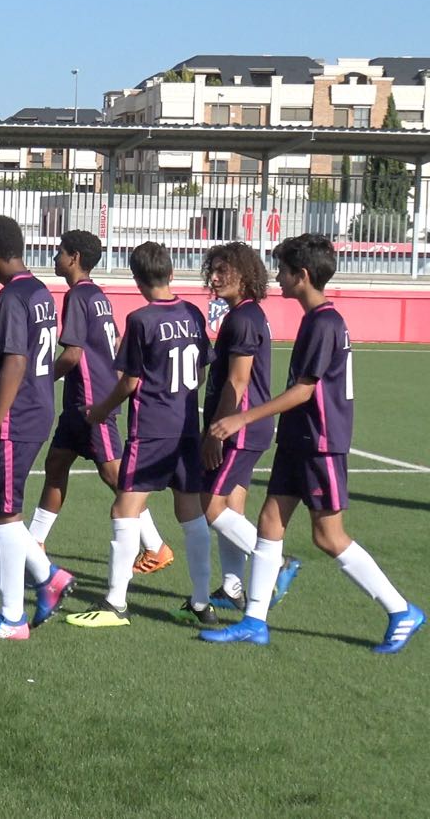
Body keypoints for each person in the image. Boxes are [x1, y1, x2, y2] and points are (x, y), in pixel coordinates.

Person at [203, 234, 423, 652]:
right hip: (297, 439)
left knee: (328, 536)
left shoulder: (324, 322)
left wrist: (242, 417)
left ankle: (400, 610)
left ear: (301, 275)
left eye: (284, 271)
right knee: (270, 522)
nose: (278, 278)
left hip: (320, 442)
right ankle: (254, 621)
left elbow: (304, 391)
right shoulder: (314, 319)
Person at [69, 242, 215, 628]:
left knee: (124, 510)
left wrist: (101, 410)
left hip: (151, 430)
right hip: (186, 426)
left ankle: (115, 603)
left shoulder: (140, 320)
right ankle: (201, 602)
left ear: (136, 279)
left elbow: (130, 381)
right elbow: (201, 372)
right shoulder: (193, 313)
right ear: (171, 272)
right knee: (190, 511)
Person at [0, 216, 74, 639]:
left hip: (15, 417)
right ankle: (48, 575)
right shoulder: (38, 289)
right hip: (34, 409)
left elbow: (16, 363)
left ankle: (11, 619)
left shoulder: (11, 297)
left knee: (5, 512)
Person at [26, 230, 172, 567]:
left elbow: (73, 354)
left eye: (60, 251)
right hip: (81, 400)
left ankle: (156, 546)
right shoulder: (97, 295)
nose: (56, 257)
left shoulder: (78, 296)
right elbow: (116, 342)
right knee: (56, 464)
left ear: (74, 258)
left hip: (92, 403)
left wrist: (40, 380)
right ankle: (34, 542)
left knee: (115, 476)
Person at [198, 242, 299, 611]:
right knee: (232, 506)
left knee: (211, 507)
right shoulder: (246, 314)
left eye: (222, 271)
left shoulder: (243, 319)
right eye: (212, 270)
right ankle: (232, 587)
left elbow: (238, 381)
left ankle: (277, 564)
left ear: (244, 275)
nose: (214, 278)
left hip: (239, 427)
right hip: (248, 426)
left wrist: (216, 432)